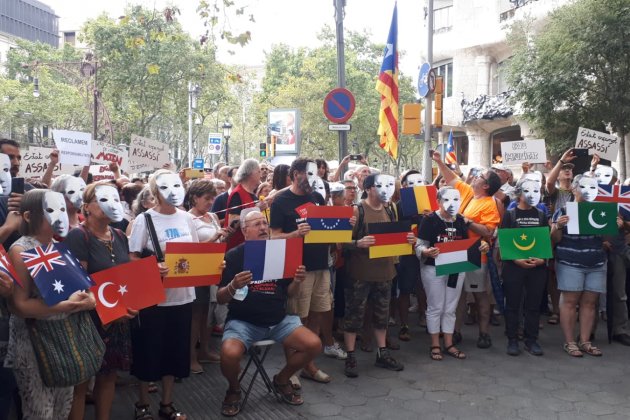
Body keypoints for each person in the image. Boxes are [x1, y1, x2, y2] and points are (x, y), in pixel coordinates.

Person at [216, 208, 321, 416]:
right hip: (243, 321)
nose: (263, 228)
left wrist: (298, 281)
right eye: (257, 224)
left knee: (314, 345)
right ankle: (234, 388)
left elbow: (290, 293)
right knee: (228, 354)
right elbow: (220, 298)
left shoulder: (280, 251)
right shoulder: (234, 255)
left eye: (265, 223)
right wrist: (233, 285)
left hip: (278, 320)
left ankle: (281, 379)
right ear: (245, 231)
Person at [6, 189, 96, 420]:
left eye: (63, 209)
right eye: (51, 210)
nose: (60, 216)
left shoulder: (58, 246)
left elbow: (78, 289)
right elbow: (18, 305)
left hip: (63, 340)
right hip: (34, 343)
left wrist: (88, 300)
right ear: (28, 216)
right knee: (39, 411)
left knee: (61, 408)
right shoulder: (20, 249)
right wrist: (64, 307)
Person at [128, 169, 199, 420]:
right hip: (153, 299)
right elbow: (133, 257)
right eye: (165, 187)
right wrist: (152, 268)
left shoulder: (186, 218)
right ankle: (143, 405)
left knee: (175, 352)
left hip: (183, 297)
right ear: (156, 191)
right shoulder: (144, 220)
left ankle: (167, 404)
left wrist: (214, 266)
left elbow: (196, 255)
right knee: (148, 351)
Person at [65, 182, 136, 420]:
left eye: (115, 199)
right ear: (86, 207)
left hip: (117, 319)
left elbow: (124, 277)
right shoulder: (78, 236)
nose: (112, 205)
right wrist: (113, 308)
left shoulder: (118, 235)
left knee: (108, 377)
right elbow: (79, 284)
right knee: (82, 383)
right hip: (89, 320)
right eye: (104, 200)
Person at [343, 173, 416, 377]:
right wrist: (358, 243)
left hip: (385, 273)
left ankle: (382, 353)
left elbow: (396, 238)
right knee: (354, 316)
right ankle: (350, 355)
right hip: (360, 274)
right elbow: (339, 242)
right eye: (380, 186)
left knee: (382, 315)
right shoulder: (357, 211)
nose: (386, 190)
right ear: (368, 189)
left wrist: (408, 238)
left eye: (389, 185)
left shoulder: (390, 210)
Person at [270, 158, 334, 383]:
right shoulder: (280, 201)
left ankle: (307, 364)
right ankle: (292, 370)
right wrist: (294, 234)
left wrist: (344, 225)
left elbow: (327, 228)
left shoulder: (316, 198)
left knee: (317, 313)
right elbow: (273, 235)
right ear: (294, 173)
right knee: (296, 320)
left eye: (315, 174)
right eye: (307, 173)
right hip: (298, 269)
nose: (311, 178)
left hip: (320, 266)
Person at [432, 151, 501, 348]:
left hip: (476, 255)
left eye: (481, 176)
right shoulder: (468, 194)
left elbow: (488, 230)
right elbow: (451, 178)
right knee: (458, 294)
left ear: (486, 186)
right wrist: (438, 161)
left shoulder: (490, 204)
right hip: (456, 251)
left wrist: (466, 221)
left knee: (479, 295)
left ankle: (484, 333)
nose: (476, 177)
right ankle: (455, 331)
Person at [417, 186, 489, 360]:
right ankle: (435, 344)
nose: (452, 204)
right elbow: (419, 245)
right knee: (435, 307)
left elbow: (467, 244)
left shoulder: (461, 221)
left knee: (450, 307)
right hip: (433, 268)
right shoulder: (429, 220)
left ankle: (448, 343)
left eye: (456, 199)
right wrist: (426, 251)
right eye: (447, 199)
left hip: (456, 269)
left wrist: (482, 246)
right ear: (438, 201)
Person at [552, 174, 606, 357]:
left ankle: (585, 341)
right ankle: (570, 342)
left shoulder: (601, 211)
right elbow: (554, 240)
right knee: (569, 302)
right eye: (583, 187)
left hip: (596, 263)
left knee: (590, 303)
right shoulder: (563, 211)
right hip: (570, 263)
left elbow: (607, 240)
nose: (587, 191)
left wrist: (616, 226)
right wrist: (558, 226)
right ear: (574, 189)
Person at [500, 179, 549, 356]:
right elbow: (504, 242)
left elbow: (545, 241)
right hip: (514, 267)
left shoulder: (542, 215)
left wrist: (542, 260)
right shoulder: (510, 214)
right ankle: (512, 339)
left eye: (536, 191)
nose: (531, 195)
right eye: (527, 191)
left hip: (537, 268)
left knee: (533, 305)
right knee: (513, 304)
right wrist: (516, 260)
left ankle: (532, 340)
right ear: (519, 193)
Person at [186, 179, 230, 373]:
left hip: (212, 269)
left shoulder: (211, 216)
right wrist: (213, 239)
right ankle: (191, 356)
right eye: (207, 198)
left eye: (213, 198)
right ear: (194, 197)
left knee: (207, 314)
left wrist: (222, 237)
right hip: (195, 271)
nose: (211, 202)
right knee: (196, 315)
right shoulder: (187, 218)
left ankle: (204, 349)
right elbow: (187, 250)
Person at [225, 159, 267, 250]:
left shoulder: (253, 195)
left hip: (252, 245)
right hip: (238, 248)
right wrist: (256, 209)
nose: (261, 174)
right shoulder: (237, 194)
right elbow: (232, 223)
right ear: (250, 174)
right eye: (258, 171)